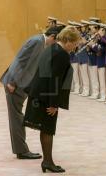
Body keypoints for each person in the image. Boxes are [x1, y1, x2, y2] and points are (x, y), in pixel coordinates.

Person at [0, 26, 63, 159]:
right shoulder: (37, 42)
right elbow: (21, 61)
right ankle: (22, 151)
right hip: (15, 84)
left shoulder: (40, 42)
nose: (56, 45)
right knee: (16, 118)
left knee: (17, 117)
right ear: (53, 37)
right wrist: (12, 81)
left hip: (20, 84)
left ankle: (21, 149)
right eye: (57, 41)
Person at [24, 28, 80, 173]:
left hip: (39, 93)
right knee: (48, 129)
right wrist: (54, 104)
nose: (75, 46)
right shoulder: (61, 54)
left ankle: (47, 161)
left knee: (45, 128)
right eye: (74, 43)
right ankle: (48, 162)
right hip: (46, 97)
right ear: (67, 41)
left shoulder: (52, 48)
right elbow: (55, 80)